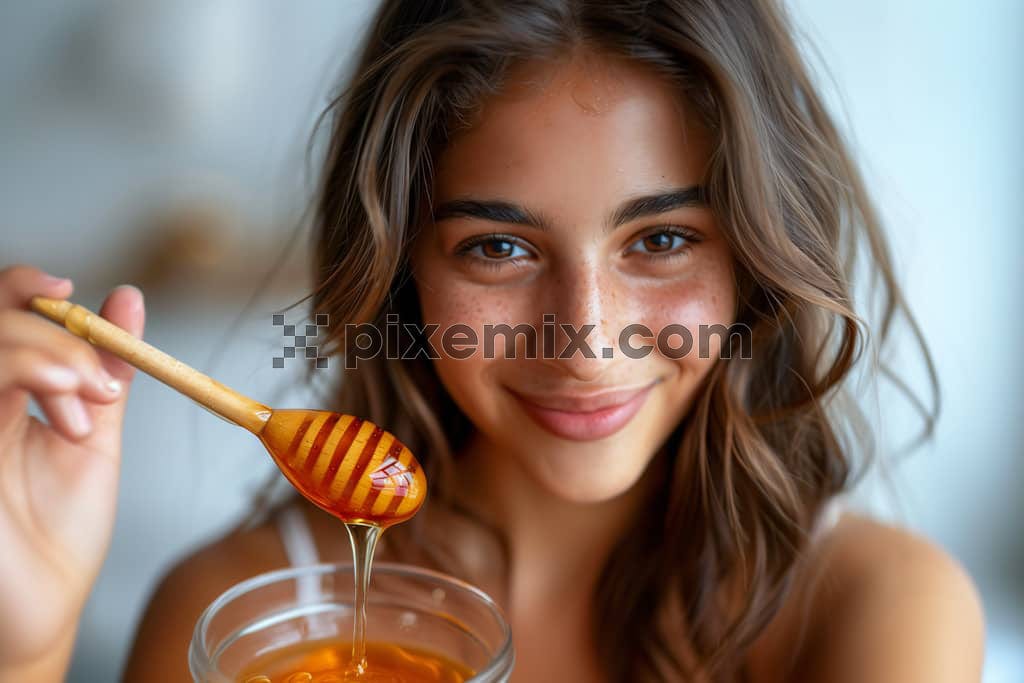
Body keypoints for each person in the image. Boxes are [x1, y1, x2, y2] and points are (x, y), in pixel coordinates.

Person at [0, 1, 985, 681]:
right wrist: (25, 645)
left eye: (663, 237)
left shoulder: (874, 611)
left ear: (759, 253)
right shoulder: (237, 617)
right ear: (402, 270)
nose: (586, 337)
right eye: (499, 245)